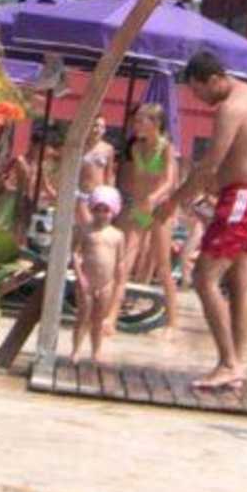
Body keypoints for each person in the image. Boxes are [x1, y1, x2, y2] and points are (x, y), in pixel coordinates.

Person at [162, 50, 247, 392]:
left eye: (198, 91)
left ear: (214, 79)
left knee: (204, 277)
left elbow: (210, 164)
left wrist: (173, 201)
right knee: (241, 280)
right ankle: (236, 363)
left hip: (244, 197)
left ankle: (229, 363)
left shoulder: (231, 108)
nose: (199, 99)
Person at [121, 101, 179, 329]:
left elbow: (170, 181)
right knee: (125, 261)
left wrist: (153, 198)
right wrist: (134, 205)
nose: (135, 125)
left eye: (140, 121)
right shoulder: (136, 148)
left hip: (158, 210)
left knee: (163, 267)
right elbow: (137, 181)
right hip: (140, 207)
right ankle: (110, 315)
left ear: (155, 123)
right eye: (135, 121)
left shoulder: (166, 148)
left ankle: (173, 321)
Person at [73, 186, 127, 364]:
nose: (102, 214)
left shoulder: (117, 235)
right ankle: (76, 350)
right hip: (87, 281)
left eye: (106, 210)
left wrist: (119, 282)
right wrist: (80, 277)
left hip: (106, 284)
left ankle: (96, 351)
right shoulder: (85, 230)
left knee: (98, 320)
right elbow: (75, 254)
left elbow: (120, 261)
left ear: (114, 211)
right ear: (92, 209)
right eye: (98, 210)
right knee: (83, 316)